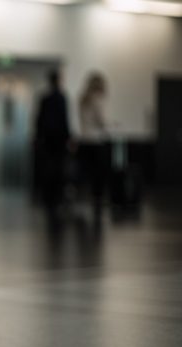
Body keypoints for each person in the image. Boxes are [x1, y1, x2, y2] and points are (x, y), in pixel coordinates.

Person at [34, 70, 71, 233]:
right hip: (57, 141)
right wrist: (67, 138)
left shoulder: (46, 98)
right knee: (57, 171)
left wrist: (38, 138)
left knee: (49, 170)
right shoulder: (61, 98)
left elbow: (39, 120)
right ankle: (55, 199)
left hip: (48, 141)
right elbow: (64, 120)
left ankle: (50, 199)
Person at [78, 72, 109, 231]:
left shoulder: (82, 99)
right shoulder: (97, 99)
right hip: (95, 142)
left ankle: (81, 200)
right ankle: (96, 202)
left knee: (84, 173)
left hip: (83, 141)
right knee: (98, 175)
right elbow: (101, 121)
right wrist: (108, 125)